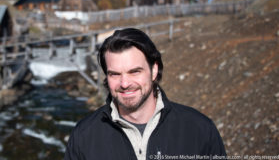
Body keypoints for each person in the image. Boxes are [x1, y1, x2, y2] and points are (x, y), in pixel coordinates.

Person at [64, 28, 226, 160]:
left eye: (134, 72)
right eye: (115, 74)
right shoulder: (84, 136)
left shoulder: (199, 130)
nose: (125, 83)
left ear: (154, 70)